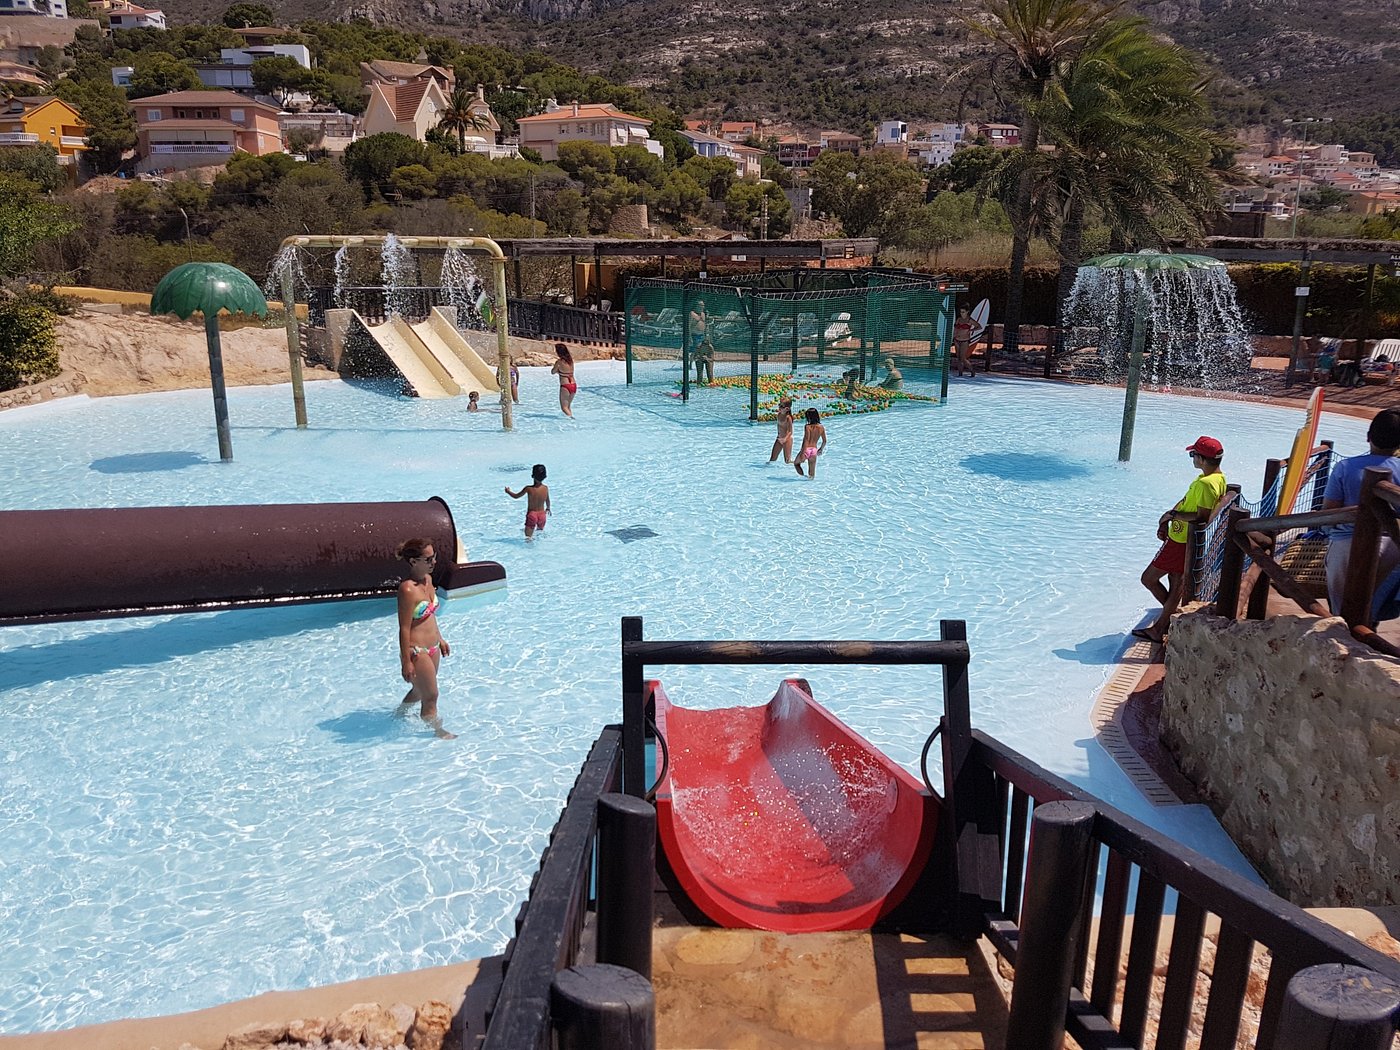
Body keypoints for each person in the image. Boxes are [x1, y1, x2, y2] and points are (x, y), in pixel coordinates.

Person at [1134, 436, 1227, 644]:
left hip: (1181, 540)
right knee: (1176, 585)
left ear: (1202, 459)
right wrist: (1168, 516)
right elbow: (1187, 502)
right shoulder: (1217, 478)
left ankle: (1165, 623)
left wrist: (1173, 517)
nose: (1192, 457)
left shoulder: (1205, 484)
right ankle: (1165, 622)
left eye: (1193, 454)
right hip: (1183, 537)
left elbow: (1201, 516)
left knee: (1148, 579)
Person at [1321, 409, 1400, 621]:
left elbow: (1329, 512)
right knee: (1370, 608)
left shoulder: (1345, 467)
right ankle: (1368, 634)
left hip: (1347, 544)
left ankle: (1343, 641)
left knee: (1342, 612)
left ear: (1368, 436)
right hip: (1395, 546)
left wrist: (1323, 528)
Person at [395, 538, 455, 739]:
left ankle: (399, 713)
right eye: (428, 559)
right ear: (413, 562)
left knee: (420, 690)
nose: (434, 562)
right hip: (417, 651)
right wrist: (406, 662)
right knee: (431, 695)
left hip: (433, 647)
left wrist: (441, 639)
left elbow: (429, 616)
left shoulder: (428, 581)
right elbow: (404, 628)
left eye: (434, 557)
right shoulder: (407, 590)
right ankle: (437, 732)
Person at [505, 463, 551, 540]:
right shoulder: (545, 488)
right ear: (545, 477)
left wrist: (508, 491)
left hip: (532, 515)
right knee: (539, 532)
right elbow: (547, 500)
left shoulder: (528, 488)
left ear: (532, 476)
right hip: (542, 515)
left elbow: (516, 496)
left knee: (528, 538)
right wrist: (548, 508)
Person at [794, 407, 828, 479]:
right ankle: (810, 487)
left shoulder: (807, 427)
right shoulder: (821, 427)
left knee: (796, 463)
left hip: (806, 449)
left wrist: (803, 453)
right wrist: (821, 449)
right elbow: (824, 441)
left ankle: (802, 477)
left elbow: (806, 440)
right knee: (811, 475)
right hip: (814, 450)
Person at [551, 343, 576, 417]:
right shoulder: (570, 361)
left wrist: (558, 371)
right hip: (573, 385)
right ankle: (570, 422)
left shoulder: (559, 362)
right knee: (568, 406)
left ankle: (572, 420)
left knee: (564, 408)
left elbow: (552, 372)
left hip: (565, 385)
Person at [953, 306, 976, 378]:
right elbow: (955, 328)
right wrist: (954, 337)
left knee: (963, 358)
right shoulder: (959, 319)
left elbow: (979, 326)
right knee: (959, 358)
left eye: (963, 312)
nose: (961, 313)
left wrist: (971, 330)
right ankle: (960, 373)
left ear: (967, 312)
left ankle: (972, 370)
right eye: (960, 312)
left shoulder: (969, 320)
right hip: (957, 340)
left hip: (964, 341)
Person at [769, 397, 794, 463]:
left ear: (787, 409)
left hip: (787, 440)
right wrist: (779, 437)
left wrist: (785, 439)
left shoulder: (788, 418)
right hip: (779, 439)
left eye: (781, 406)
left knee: (787, 461)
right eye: (779, 405)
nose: (779, 407)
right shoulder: (779, 415)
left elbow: (790, 432)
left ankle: (798, 463)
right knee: (772, 460)